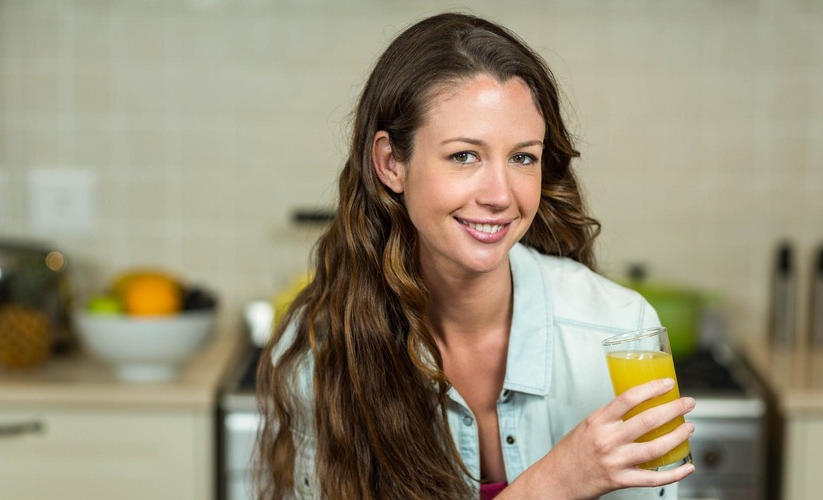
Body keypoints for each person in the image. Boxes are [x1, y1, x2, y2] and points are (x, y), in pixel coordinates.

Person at [255, 12, 695, 500]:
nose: (500, 195)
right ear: (390, 163)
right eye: (465, 155)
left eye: (522, 157)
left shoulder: (619, 329)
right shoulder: (322, 350)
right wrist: (552, 484)